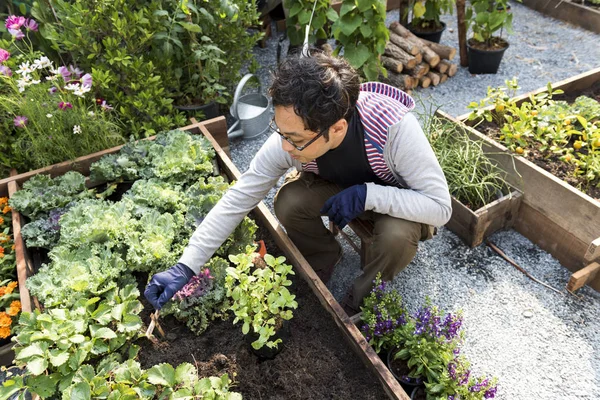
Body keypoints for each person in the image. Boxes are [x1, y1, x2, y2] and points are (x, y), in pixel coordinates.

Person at [144, 49, 452, 315]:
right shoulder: (293, 136)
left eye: (296, 140)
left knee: (394, 237)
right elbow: (240, 196)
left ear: (337, 128)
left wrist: (368, 195)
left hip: (400, 202)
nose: (286, 147)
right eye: (281, 132)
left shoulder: (393, 129)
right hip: (346, 190)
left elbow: (440, 208)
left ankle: (360, 301)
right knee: (289, 202)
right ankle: (323, 257)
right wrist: (186, 265)